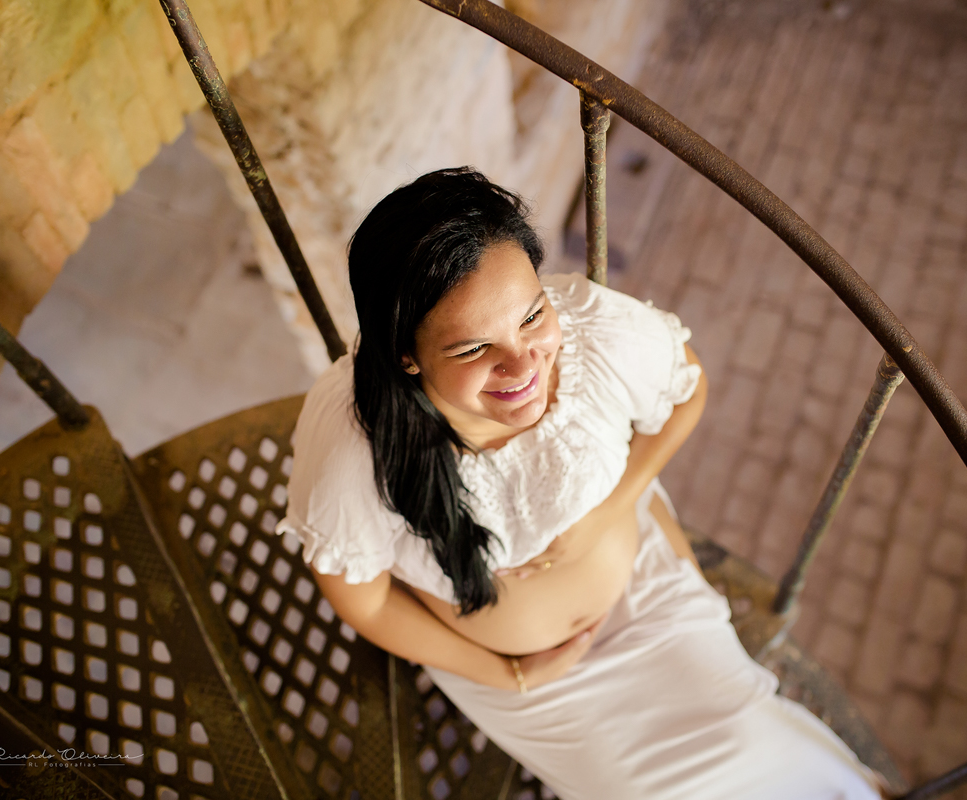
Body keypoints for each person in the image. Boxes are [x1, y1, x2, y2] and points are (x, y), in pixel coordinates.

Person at [277, 167, 886, 799]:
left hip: (645, 595)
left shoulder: (592, 333)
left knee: (755, 736)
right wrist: (508, 672)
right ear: (407, 355)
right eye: (471, 350)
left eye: (532, 315)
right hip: (539, 686)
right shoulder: (355, 448)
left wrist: (610, 507)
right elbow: (364, 600)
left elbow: (687, 387)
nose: (522, 365)